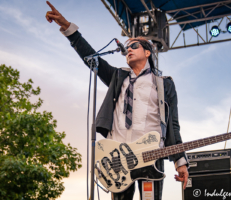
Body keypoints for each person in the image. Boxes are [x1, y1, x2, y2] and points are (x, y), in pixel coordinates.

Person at [45, 1, 189, 200]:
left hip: (150, 156)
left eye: (135, 45)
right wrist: (68, 27)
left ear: (148, 52)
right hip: (117, 158)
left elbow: (173, 125)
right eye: (127, 47)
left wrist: (180, 161)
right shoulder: (118, 77)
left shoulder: (164, 85)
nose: (129, 49)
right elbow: (91, 57)